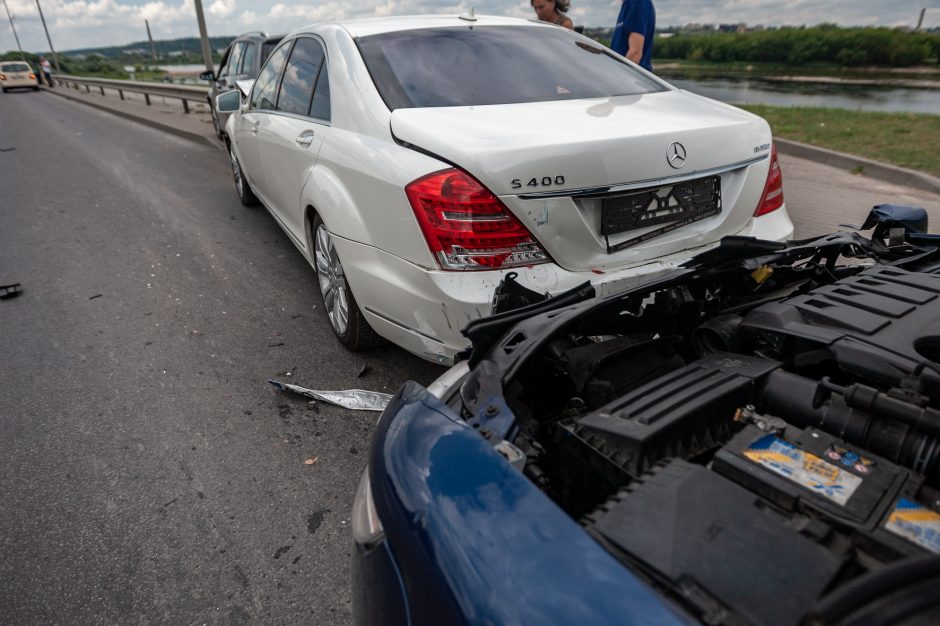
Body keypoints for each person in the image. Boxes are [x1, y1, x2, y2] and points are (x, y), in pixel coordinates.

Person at [611, 0, 655, 72]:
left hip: (632, 80)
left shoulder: (638, 2)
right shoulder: (628, 4)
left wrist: (615, 78)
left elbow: (635, 53)